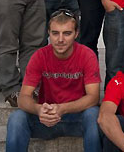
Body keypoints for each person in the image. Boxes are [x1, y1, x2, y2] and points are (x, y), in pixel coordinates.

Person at [6, 9, 101, 152]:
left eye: (67, 33)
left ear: (76, 34)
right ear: (48, 34)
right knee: (17, 118)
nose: (60, 39)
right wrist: (38, 109)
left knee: (93, 114)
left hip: (76, 117)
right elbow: (23, 97)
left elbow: (93, 98)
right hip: (46, 118)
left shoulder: (87, 55)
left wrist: (63, 108)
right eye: (55, 33)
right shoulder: (39, 56)